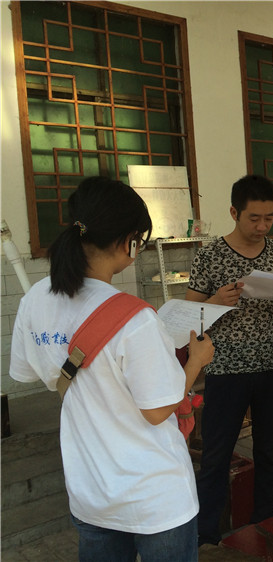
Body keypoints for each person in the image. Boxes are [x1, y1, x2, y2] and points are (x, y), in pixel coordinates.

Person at [9, 177, 215, 562]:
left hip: (91, 492)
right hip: (155, 498)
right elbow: (158, 410)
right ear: (128, 243)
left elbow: (31, 374)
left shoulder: (35, 299)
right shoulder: (135, 319)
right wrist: (196, 361)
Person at [185, 174, 273, 545]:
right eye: (254, 218)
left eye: (269, 218)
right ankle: (206, 535)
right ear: (234, 212)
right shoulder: (210, 255)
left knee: (269, 450)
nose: (262, 226)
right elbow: (189, 315)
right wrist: (215, 301)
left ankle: (264, 521)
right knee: (217, 455)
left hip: (271, 365)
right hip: (225, 368)